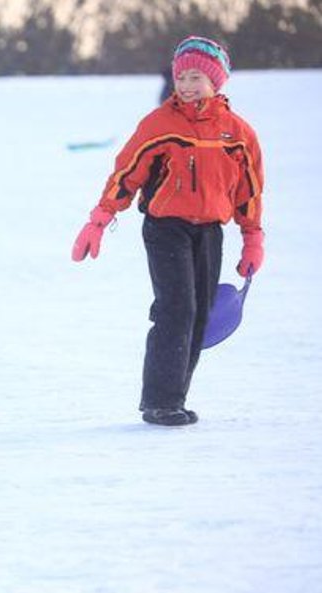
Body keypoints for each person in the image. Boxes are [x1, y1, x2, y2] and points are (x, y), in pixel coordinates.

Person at [71, 36, 265, 427]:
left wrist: (252, 238)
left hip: (211, 230)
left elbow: (250, 190)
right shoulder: (160, 124)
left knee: (199, 315)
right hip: (166, 228)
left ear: (217, 80)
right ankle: (159, 402)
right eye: (181, 77)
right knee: (177, 308)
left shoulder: (238, 134)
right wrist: (99, 219)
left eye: (196, 76)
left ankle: (174, 398)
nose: (188, 85)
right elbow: (126, 174)